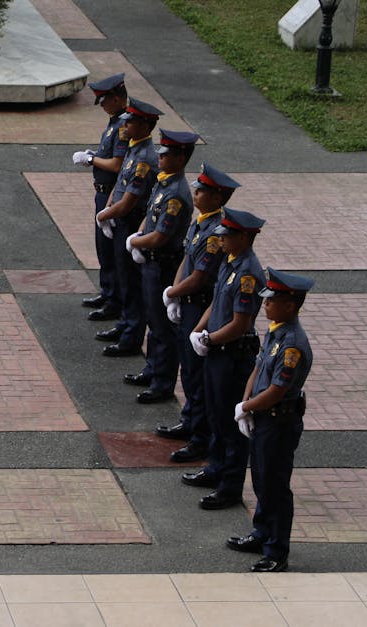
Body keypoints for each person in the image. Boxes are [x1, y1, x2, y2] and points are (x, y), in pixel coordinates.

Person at [226, 268, 314, 573]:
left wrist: (248, 406)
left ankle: (277, 551)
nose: (265, 304)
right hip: (264, 419)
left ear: (290, 305)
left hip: (279, 423)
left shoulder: (292, 345)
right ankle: (261, 533)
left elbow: (277, 390)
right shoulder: (276, 331)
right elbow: (258, 369)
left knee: (275, 485)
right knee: (262, 480)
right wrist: (246, 404)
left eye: (271, 300)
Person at [180, 208, 267, 510]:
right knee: (215, 416)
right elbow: (217, 303)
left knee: (230, 427)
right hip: (217, 352)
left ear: (243, 237)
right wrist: (199, 330)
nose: (223, 241)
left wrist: (209, 339)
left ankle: (229, 487)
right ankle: (215, 468)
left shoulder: (247, 273)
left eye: (228, 236)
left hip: (232, 355)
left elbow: (241, 323)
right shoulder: (230, 263)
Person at [158, 164, 240, 463]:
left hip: (198, 303)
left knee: (196, 374)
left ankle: (200, 437)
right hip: (188, 301)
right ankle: (191, 421)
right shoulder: (201, 222)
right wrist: (176, 290)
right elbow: (187, 261)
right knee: (188, 369)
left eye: (203, 190)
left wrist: (173, 293)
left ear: (218, 196)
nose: (197, 193)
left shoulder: (217, 233)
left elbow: (201, 276)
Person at [126, 129, 199, 403]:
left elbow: (161, 236)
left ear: (180, 158)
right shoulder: (164, 182)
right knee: (153, 320)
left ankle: (162, 383)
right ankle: (152, 368)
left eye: (166, 155)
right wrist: (140, 237)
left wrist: (137, 242)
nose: (161, 158)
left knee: (163, 327)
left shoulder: (177, 194)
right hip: (151, 262)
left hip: (162, 263)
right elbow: (149, 217)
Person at [95, 98, 163, 358]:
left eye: (131, 122)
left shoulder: (145, 157)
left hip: (130, 220)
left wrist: (107, 213)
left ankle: (131, 335)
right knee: (123, 277)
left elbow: (130, 200)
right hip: (120, 218)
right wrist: (110, 206)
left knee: (131, 282)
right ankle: (124, 324)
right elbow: (120, 185)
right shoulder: (134, 149)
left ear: (145, 125)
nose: (126, 127)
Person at [73, 73, 129, 323]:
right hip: (102, 193)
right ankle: (107, 292)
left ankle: (114, 301)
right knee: (103, 249)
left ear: (117, 98)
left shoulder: (124, 126)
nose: (102, 105)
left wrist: (92, 159)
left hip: (111, 196)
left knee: (113, 250)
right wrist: (95, 154)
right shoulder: (114, 121)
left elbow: (117, 165)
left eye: (105, 100)